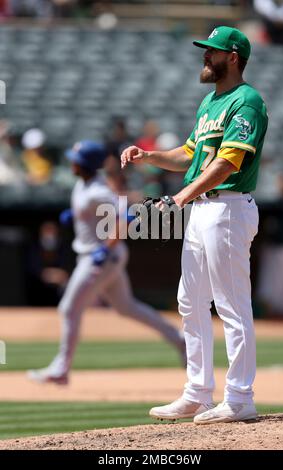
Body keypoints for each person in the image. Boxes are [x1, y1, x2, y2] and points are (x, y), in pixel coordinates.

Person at [121, 26, 268, 424]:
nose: (205, 56)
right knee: (190, 301)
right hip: (203, 211)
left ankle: (239, 397)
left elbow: (228, 162)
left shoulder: (247, 100)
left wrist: (179, 197)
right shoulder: (211, 103)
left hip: (229, 208)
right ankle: (198, 392)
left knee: (231, 305)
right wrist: (147, 156)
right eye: (205, 50)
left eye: (213, 51)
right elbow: (190, 154)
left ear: (233, 57)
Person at [28, 140, 186, 385]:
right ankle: (179, 339)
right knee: (127, 307)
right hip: (101, 256)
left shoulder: (98, 191)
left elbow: (127, 216)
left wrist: (106, 247)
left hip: (99, 258)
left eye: (75, 160)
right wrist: (78, 216)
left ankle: (61, 369)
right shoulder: (84, 185)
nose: (71, 162)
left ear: (84, 165)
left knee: (69, 308)